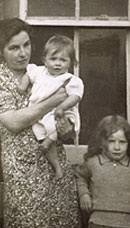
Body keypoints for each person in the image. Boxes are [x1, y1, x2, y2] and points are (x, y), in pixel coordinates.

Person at [0, 18, 82, 228]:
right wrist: (54, 100)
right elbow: (14, 122)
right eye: (14, 48)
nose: (22, 53)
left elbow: (65, 118)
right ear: (1, 50)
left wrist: (65, 126)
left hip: (54, 166)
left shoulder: (45, 71)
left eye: (26, 45)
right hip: (21, 170)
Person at [17, 35, 84, 178]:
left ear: (71, 63)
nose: (58, 64)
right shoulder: (40, 72)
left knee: (55, 125)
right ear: (44, 60)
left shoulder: (70, 79)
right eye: (53, 59)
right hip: (42, 113)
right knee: (39, 129)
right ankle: (56, 166)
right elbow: (28, 74)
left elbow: (75, 96)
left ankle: (50, 141)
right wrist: (23, 85)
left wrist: (62, 107)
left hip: (62, 111)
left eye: (63, 60)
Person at [75, 115, 130, 228]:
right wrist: (84, 194)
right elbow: (80, 176)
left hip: (129, 225)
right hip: (99, 223)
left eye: (122, 142)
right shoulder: (93, 163)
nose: (117, 147)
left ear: (129, 143)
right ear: (102, 142)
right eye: (111, 141)